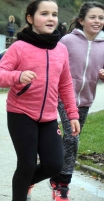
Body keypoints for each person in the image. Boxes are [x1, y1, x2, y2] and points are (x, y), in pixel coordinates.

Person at [0, 0, 80, 200]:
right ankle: (21, 190)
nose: (51, 18)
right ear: (30, 18)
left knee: (55, 164)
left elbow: (65, 84)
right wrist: (18, 76)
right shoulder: (19, 47)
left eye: (54, 14)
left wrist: (72, 114)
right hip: (21, 113)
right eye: (44, 13)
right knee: (27, 164)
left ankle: (26, 180)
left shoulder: (61, 50)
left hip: (48, 116)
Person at [49, 2, 104, 201]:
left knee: (69, 140)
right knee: (72, 138)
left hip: (86, 100)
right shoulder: (68, 41)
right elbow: (54, 63)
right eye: (93, 17)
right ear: (81, 20)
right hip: (64, 97)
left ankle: (47, 173)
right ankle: (62, 182)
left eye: (101, 18)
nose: (97, 21)